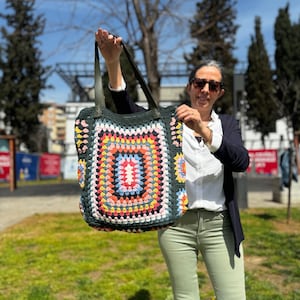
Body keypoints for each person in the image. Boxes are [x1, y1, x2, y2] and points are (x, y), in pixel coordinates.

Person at [95, 28, 250, 300]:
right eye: (199, 83)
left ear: (220, 92)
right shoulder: (167, 121)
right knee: (185, 297)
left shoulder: (227, 125)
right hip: (176, 226)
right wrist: (112, 62)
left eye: (212, 86)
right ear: (190, 86)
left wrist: (203, 129)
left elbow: (241, 161)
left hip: (220, 225)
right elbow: (126, 110)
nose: (205, 90)